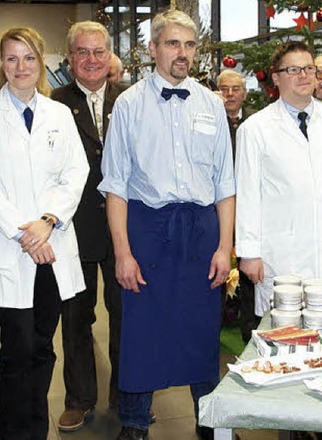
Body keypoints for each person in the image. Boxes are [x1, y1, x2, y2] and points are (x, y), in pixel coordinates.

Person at [98, 10, 235, 440]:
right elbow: (116, 185)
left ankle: (208, 421)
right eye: (173, 44)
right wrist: (122, 252)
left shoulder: (212, 103)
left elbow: (225, 184)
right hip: (147, 229)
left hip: (200, 230)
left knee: (202, 327)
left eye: (189, 45)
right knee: (142, 328)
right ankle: (135, 423)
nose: (182, 53)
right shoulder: (128, 103)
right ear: (153, 48)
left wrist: (224, 247)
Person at [235, 41, 322, 318]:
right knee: (286, 331)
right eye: (293, 69)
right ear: (276, 77)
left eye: (309, 68)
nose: (305, 75)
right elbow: (247, 195)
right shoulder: (255, 129)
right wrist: (248, 252)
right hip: (284, 251)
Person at [0, 26, 89, 440]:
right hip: (11, 251)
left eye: (29, 58)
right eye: (12, 58)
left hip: (51, 246)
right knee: (14, 351)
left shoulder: (58, 114)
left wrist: (48, 222)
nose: (21, 67)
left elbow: (77, 172)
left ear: (41, 63)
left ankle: (35, 430)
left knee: (42, 347)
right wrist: (24, 234)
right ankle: (14, 429)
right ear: (2, 64)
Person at [50, 21, 128, 432]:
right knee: (76, 317)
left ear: (110, 55)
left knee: (124, 314)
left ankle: (126, 393)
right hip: (73, 228)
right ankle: (78, 399)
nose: (92, 60)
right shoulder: (54, 103)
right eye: (82, 52)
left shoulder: (130, 98)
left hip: (123, 229)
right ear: (70, 58)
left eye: (99, 51)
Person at [216, 69, 258, 343]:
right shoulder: (209, 120)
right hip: (216, 209)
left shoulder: (257, 123)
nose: (229, 94)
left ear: (244, 94)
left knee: (249, 268)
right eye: (224, 89)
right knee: (217, 267)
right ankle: (214, 328)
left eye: (235, 89)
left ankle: (250, 330)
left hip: (249, 207)